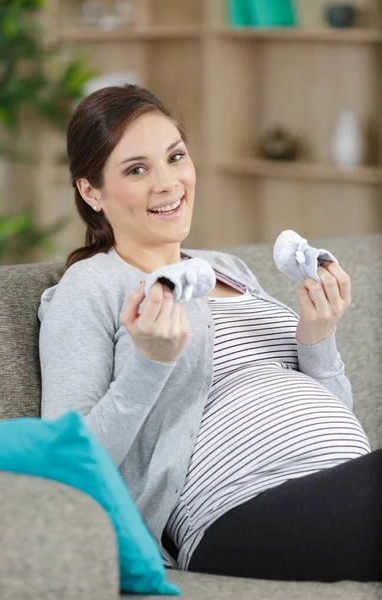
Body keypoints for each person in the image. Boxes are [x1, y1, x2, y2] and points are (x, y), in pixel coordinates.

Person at [38, 85, 381, 583]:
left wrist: (318, 337)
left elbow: (328, 413)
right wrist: (149, 364)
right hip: (236, 513)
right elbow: (69, 458)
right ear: (91, 191)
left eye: (175, 157)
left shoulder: (227, 268)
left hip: (334, 483)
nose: (168, 183)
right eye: (137, 169)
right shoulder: (92, 287)